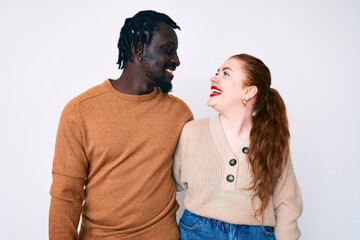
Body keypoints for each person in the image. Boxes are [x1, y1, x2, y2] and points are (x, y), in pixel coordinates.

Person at [49, 10, 193, 240]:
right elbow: (66, 195)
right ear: (138, 50)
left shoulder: (179, 112)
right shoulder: (80, 111)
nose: (176, 60)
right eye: (168, 50)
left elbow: (194, 177)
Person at [173, 53, 303, 240]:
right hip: (197, 232)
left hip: (257, 235)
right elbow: (169, 185)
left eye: (226, 73)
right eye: (217, 72)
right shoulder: (192, 131)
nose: (214, 77)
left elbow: (286, 203)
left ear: (248, 92)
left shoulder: (272, 139)